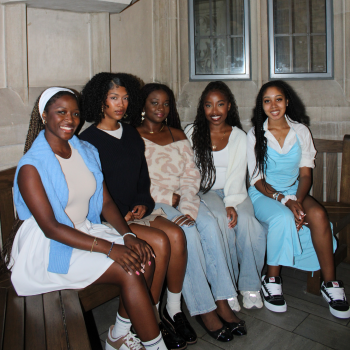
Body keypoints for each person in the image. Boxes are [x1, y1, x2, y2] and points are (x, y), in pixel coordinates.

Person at [1, 87, 170, 350]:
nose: (70, 119)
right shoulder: (31, 167)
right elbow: (51, 228)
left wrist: (128, 236)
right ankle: (156, 346)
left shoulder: (85, 151)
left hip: (85, 230)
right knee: (130, 270)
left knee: (144, 259)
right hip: (49, 245)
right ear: (44, 116)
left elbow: (105, 201)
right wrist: (112, 249)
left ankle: (118, 336)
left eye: (76, 113)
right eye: (61, 112)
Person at [79, 73, 195, 350]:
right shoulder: (88, 140)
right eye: (114, 98)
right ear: (100, 101)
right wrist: (120, 214)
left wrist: (144, 200)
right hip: (110, 219)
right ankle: (145, 323)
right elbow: (93, 191)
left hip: (139, 211)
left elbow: (143, 177)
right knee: (158, 243)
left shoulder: (130, 132)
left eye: (125, 97)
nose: (121, 104)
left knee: (176, 235)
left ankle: (147, 317)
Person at [131, 83, 247, 343]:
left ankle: (222, 300)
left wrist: (185, 203)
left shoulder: (178, 134)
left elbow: (191, 174)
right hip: (153, 204)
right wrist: (168, 198)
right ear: (142, 106)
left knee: (209, 225)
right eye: (154, 103)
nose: (161, 108)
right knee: (189, 233)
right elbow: (134, 181)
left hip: (184, 199)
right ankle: (203, 308)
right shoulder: (132, 136)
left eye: (166, 104)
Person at [247, 80, 350, 319]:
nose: (273, 105)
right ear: (261, 105)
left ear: (287, 101)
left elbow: (305, 175)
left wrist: (298, 201)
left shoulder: (301, 131)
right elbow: (256, 180)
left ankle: (330, 282)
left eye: (278, 99)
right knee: (284, 216)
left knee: (318, 215)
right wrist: (285, 201)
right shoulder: (256, 134)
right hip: (265, 194)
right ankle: (271, 279)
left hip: (295, 191)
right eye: (267, 101)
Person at [184, 81, 266, 311]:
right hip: (204, 191)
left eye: (220, 104)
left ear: (229, 106)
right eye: (209, 105)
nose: (215, 111)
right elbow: (187, 168)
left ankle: (250, 286)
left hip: (236, 192)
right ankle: (226, 287)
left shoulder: (239, 136)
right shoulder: (192, 132)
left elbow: (238, 174)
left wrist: (230, 202)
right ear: (203, 108)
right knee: (223, 221)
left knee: (249, 223)